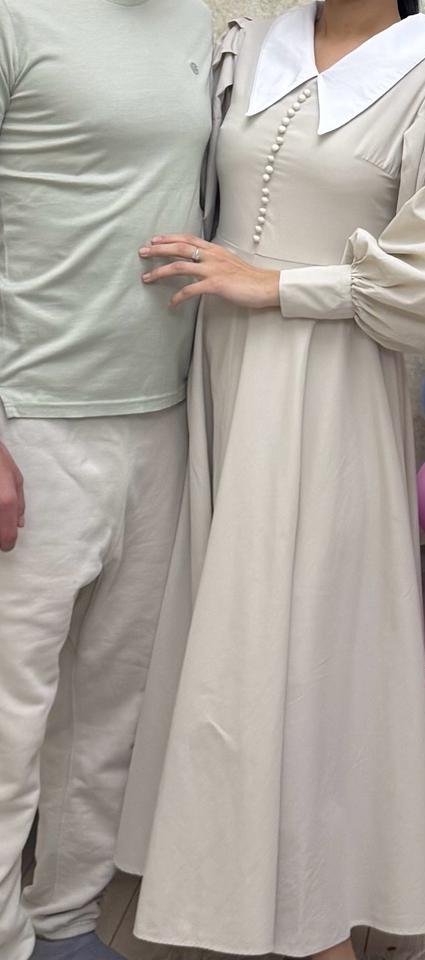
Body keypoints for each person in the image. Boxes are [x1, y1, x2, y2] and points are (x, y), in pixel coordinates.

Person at [112, 1, 425, 958]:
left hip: (331, 389)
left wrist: (279, 284)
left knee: (320, 633)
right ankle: (226, 891)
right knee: (229, 624)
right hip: (220, 373)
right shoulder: (246, 47)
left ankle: (319, 916)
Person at [0, 1, 213, 958]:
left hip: (160, 414)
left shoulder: (193, 20)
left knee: (108, 709)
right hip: (32, 415)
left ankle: (65, 919)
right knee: (9, 717)